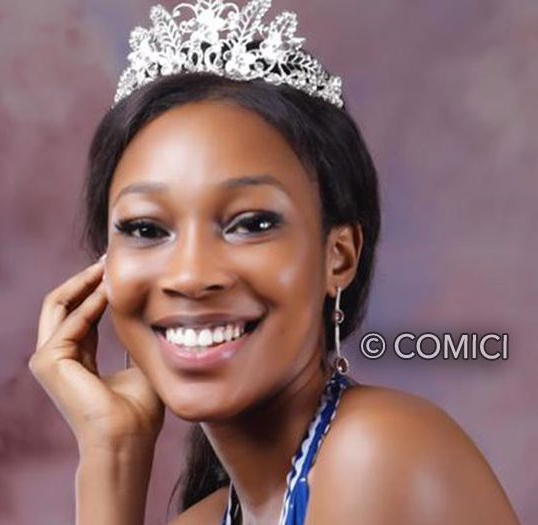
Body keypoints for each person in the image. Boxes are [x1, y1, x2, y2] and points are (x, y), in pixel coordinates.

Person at [29, 1, 520, 524]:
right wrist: (112, 449)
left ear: (338, 256)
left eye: (251, 224)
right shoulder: (204, 519)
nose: (191, 275)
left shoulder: (376, 453)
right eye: (147, 229)